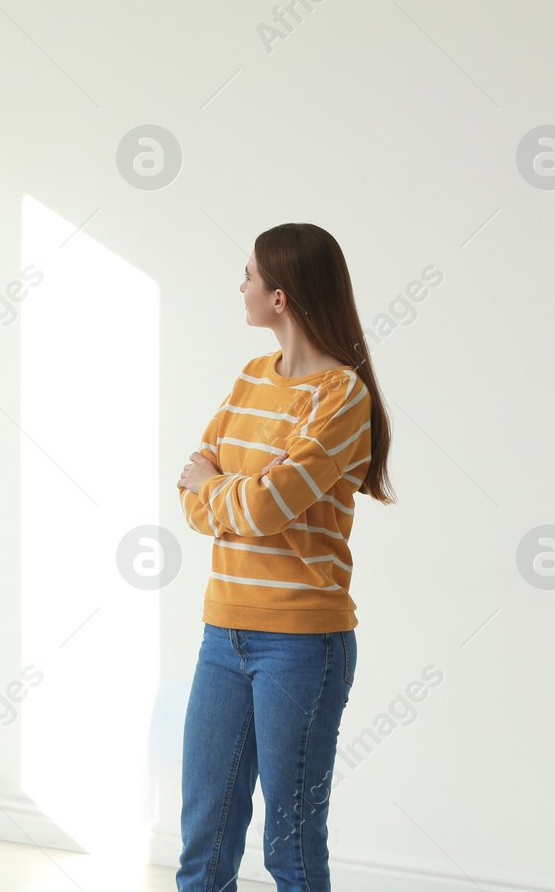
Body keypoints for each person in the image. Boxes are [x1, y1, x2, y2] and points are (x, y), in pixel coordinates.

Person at [173, 222, 394, 892]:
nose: (240, 285)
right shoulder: (249, 378)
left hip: (302, 643)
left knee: (290, 849)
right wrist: (225, 491)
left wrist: (220, 491)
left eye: (248, 274)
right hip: (223, 633)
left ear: (280, 296)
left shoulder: (342, 398)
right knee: (203, 843)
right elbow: (193, 484)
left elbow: (265, 505)